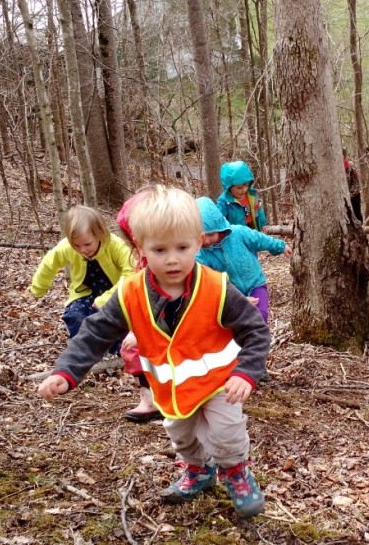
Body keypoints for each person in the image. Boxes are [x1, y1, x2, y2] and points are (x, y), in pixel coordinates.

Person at [37, 185, 271, 518]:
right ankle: (198, 471)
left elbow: (255, 329)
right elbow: (95, 331)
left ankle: (236, 472)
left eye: (182, 247)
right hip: (171, 390)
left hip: (220, 385)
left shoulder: (216, 286)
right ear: (140, 248)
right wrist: (66, 371)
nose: (173, 258)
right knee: (182, 435)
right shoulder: (131, 292)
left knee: (225, 433)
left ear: (199, 241)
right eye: (160, 249)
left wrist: (247, 371)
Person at [30, 205, 134, 343]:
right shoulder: (67, 247)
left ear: (100, 234)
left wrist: (107, 299)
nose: (82, 250)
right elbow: (49, 263)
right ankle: (84, 348)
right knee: (74, 316)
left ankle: (118, 348)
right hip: (84, 293)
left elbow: (131, 272)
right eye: (76, 246)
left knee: (114, 321)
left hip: (114, 294)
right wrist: (38, 288)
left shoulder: (115, 245)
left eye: (87, 244)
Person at [196, 196, 291, 323]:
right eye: (202, 236)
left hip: (255, 283)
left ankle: (259, 341)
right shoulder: (199, 255)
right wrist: (234, 300)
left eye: (211, 234)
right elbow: (206, 285)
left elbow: (259, 239)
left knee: (259, 316)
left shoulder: (238, 233)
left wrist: (280, 246)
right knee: (239, 323)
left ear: (220, 226)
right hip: (230, 294)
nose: (206, 241)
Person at [114, 187, 163, 423]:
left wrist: (143, 329)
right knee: (132, 349)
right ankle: (149, 398)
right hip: (146, 319)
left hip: (168, 322)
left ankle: (164, 396)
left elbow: (167, 297)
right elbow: (139, 294)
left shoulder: (168, 260)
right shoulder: (142, 261)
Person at [217, 160, 267, 231]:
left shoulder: (252, 195)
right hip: (237, 235)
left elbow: (258, 210)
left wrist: (263, 224)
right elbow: (220, 221)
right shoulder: (224, 201)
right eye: (239, 188)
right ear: (229, 187)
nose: (244, 190)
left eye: (246, 185)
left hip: (253, 231)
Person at [343, 148, 362, 222]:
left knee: (357, 214)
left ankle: (361, 228)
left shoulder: (351, 166)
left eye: (343, 155)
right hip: (343, 196)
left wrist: (349, 195)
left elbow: (356, 184)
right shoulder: (337, 167)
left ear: (345, 156)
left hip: (354, 195)